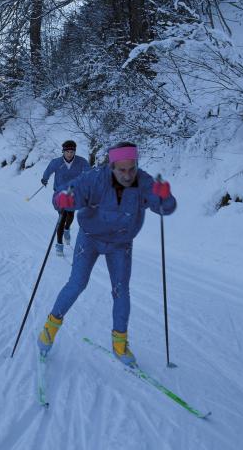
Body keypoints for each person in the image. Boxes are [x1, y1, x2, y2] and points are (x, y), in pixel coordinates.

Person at [36, 142, 176, 367]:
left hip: (121, 243)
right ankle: (49, 329)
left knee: (121, 291)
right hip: (90, 238)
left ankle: (119, 344)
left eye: (132, 168)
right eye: (121, 169)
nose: (128, 175)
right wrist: (64, 200)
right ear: (111, 166)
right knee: (77, 283)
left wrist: (164, 197)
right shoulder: (95, 179)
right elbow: (67, 194)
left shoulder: (143, 181)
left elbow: (165, 207)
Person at [41, 140, 90, 256]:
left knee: (70, 215)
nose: (69, 154)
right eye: (67, 151)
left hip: (73, 192)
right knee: (62, 217)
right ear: (63, 151)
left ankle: (67, 230)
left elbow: (89, 173)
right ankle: (59, 244)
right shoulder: (56, 162)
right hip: (60, 193)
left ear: (75, 151)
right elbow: (48, 171)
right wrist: (44, 179)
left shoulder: (81, 161)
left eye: (72, 151)